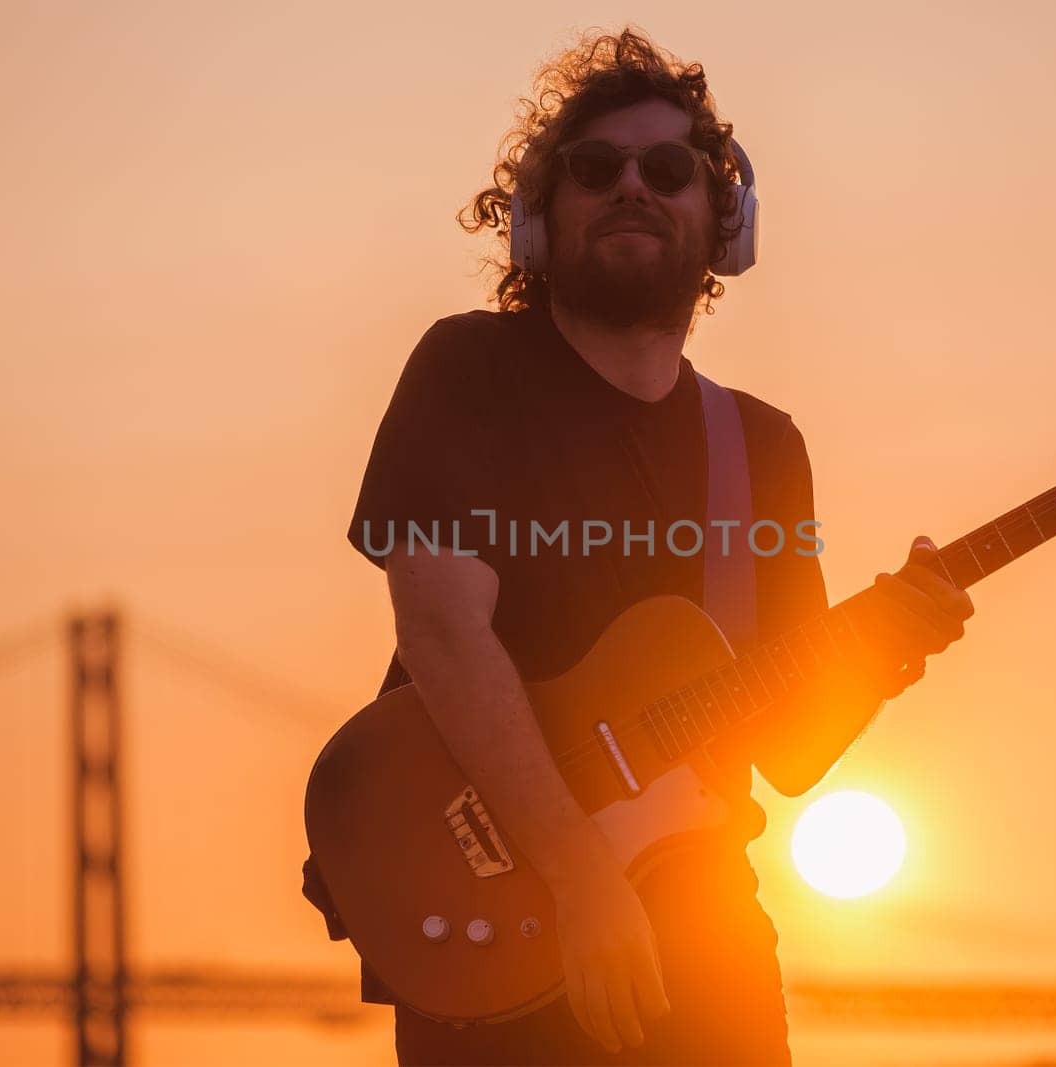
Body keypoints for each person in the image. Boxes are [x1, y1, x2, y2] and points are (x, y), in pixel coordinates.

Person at [315, 27, 973, 1066]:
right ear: (538, 213)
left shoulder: (760, 445)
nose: (633, 186)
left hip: (705, 933)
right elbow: (440, 630)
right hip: (501, 918)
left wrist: (896, 643)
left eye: (668, 168)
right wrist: (584, 884)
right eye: (595, 168)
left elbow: (789, 742)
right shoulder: (469, 370)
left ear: (722, 220)